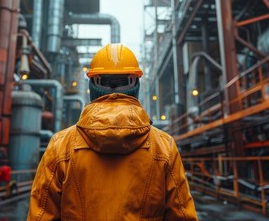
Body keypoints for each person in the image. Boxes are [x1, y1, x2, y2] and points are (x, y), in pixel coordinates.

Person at [27, 44, 197, 220]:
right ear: (135, 85)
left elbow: (40, 216)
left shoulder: (60, 146)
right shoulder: (164, 147)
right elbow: (182, 216)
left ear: (92, 86)